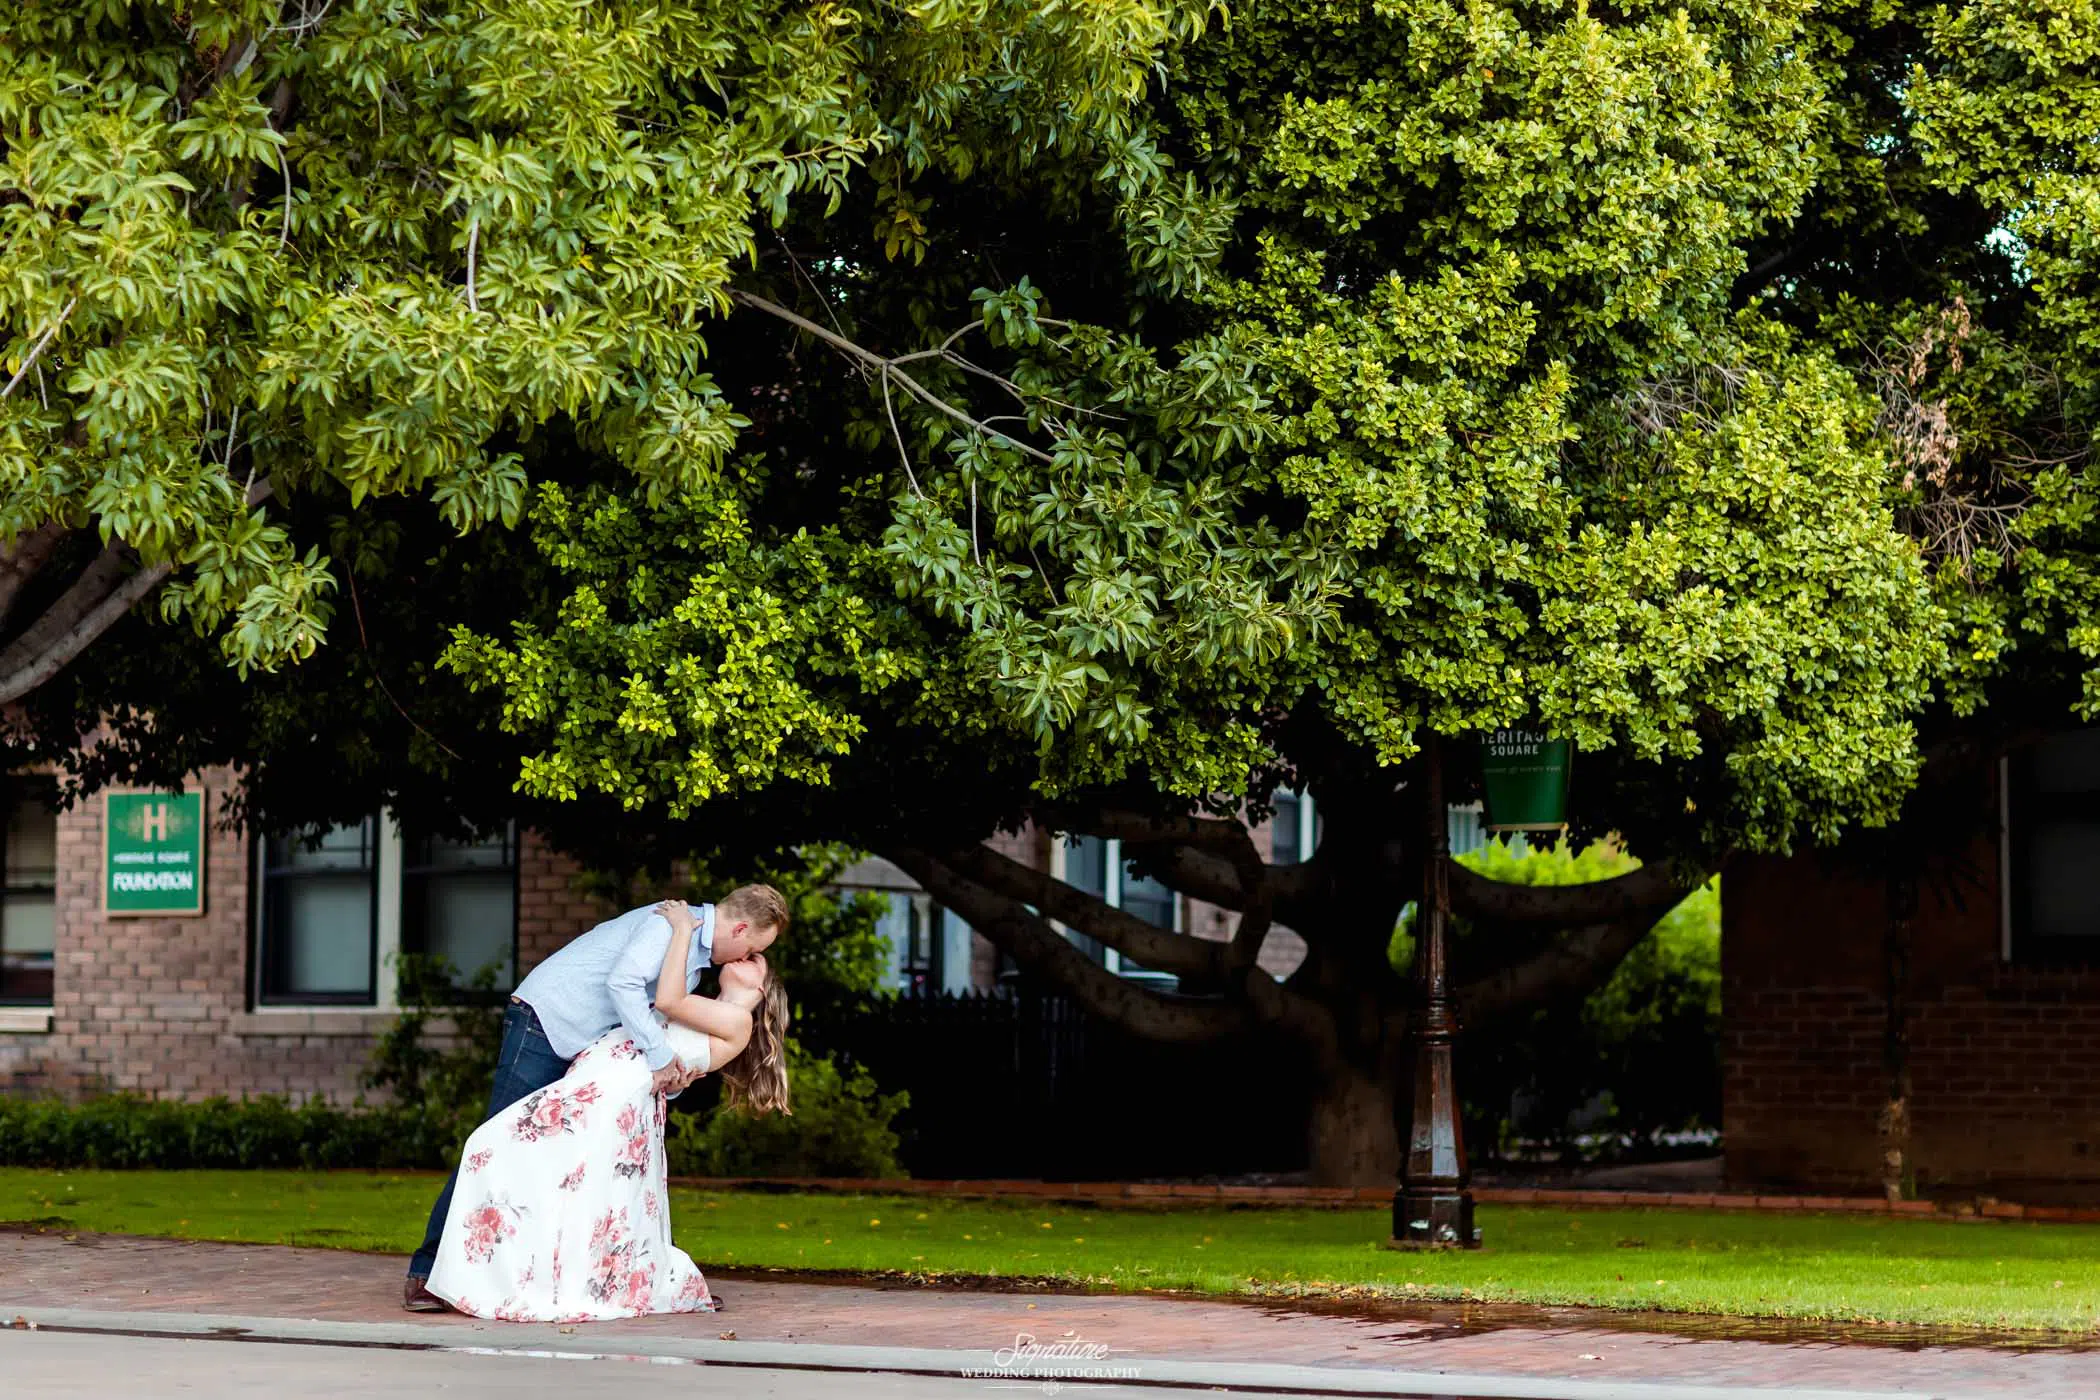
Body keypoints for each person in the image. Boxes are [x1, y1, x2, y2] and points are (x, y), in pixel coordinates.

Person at [402, 884, 789, 1311]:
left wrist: (668, 1073)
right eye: (750, 949)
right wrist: (663, 1061)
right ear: (738, 929)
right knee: (495, 1141)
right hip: (548, 1025)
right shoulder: (668, 927)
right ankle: (426, 1271)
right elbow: (623, 985)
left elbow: (659, 1025)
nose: (744, 959)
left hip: (595, 1065)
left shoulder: (693, 965)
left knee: (585, 1172)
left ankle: (621, 1276)